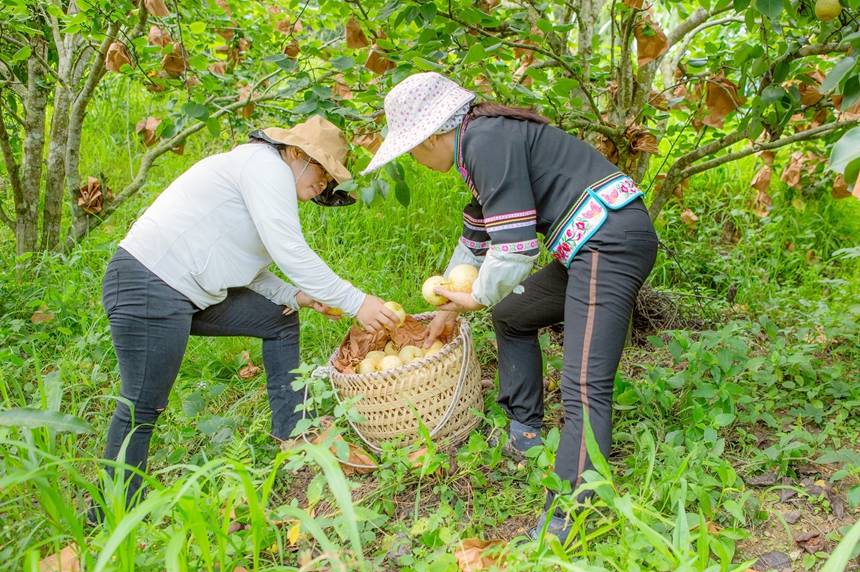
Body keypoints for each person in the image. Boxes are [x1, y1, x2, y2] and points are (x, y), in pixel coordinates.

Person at [361, 73, 658, 539]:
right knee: (513, 314)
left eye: (412, 150)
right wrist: (448, 306)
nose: (415, 160)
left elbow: (515, 248)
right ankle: (525, 428)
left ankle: (572, 513)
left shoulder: (485, 141)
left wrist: (477, 297)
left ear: (432, 136)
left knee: (584, 384)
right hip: (589, 246)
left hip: (610, 242)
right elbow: (477, 240)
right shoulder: (481, 142)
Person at [97, 115, 400, 509]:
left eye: (330, 179)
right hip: (148, 283)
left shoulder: (264, 179)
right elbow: (291, 252)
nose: (323, 184)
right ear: (295, 153)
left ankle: (293, 430)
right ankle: (110, 513)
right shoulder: (264, 166)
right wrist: (358, 302)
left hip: (185, 291)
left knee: (279, 317)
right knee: (142, 405)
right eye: (321, 171)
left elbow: (245, 267)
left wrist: (295, 296)